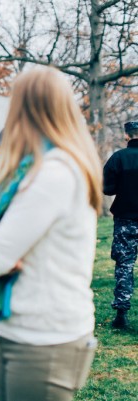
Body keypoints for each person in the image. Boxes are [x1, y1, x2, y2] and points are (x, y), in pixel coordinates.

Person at [0, 66, 102, 401]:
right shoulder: (45, 168)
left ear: (23, 109)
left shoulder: (54, 174)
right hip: (23, 328)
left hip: (44, 338)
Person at [103, 121, 138, 329]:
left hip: (125, 219)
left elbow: (107, 189)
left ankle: (121, 315)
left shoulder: (118, 158)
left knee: (124, 265)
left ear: (127, 136)